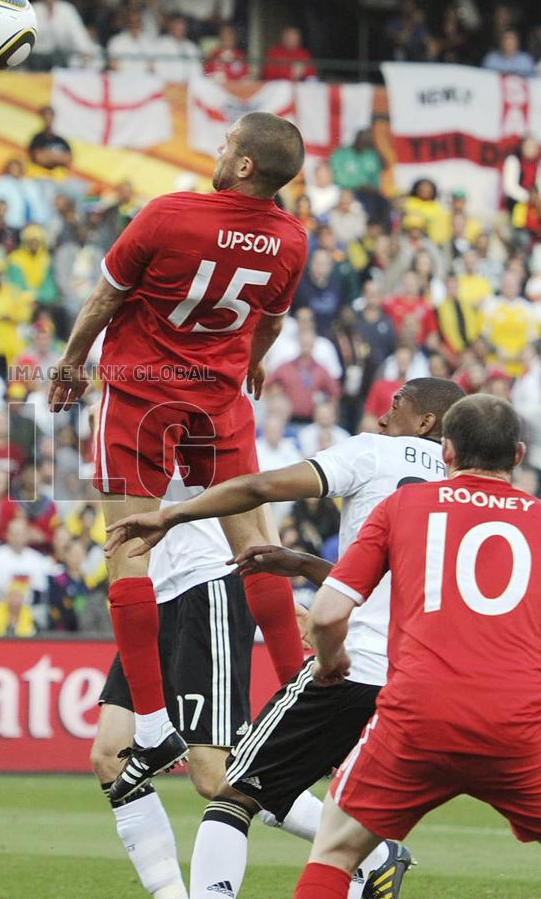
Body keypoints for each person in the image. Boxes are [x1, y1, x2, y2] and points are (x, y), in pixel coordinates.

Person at [106, 377, 465, 898]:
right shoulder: (463, 488)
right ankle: (378, 862)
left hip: (358, 667)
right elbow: (400, 578)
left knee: (231, 793)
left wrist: (171, 514)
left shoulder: (373, 452)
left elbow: (259, 487)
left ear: (426, 422)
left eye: (396, 406)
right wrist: (302, 563)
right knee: (352, 812)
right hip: (425, 679)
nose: (383, 417)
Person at [49, 111, 309, 801]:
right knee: (256, 545)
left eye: (226, 146)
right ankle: (302, 696)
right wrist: (250, 365)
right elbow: (272, 321)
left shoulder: (169, 215)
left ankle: (156, 721)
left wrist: (72, 362)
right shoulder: (290, 240)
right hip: (219, 401)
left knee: (127, 543)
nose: (219, 153)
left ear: (246, 165)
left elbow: (106, 298)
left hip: (141, 396)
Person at [293, 394, 541, 899]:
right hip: (518, 719)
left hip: (417, 714)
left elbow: (326, 613)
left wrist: (330, 661)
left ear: (446, 451)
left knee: (335, 852)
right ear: (517, 456)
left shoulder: (403, 505)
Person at [92, 486, 259, 899]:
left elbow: (251, 491)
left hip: (207, 581)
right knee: (110, 754)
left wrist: (267, 580)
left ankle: (366, 851)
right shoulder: (105, 429)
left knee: (214, 775)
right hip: (150, 596)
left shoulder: (199, 422)